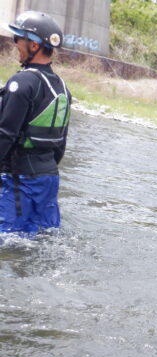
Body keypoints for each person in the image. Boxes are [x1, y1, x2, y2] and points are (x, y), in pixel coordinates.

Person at [0, 11, 70, 234]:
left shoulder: (23, 82)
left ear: (34, 45)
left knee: (8, 241)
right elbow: (60, 145)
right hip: (48, 180)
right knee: (42, 238)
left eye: (18, 39)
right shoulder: (62, 88)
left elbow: (5, 134)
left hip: (20, 181)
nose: (15, 44)